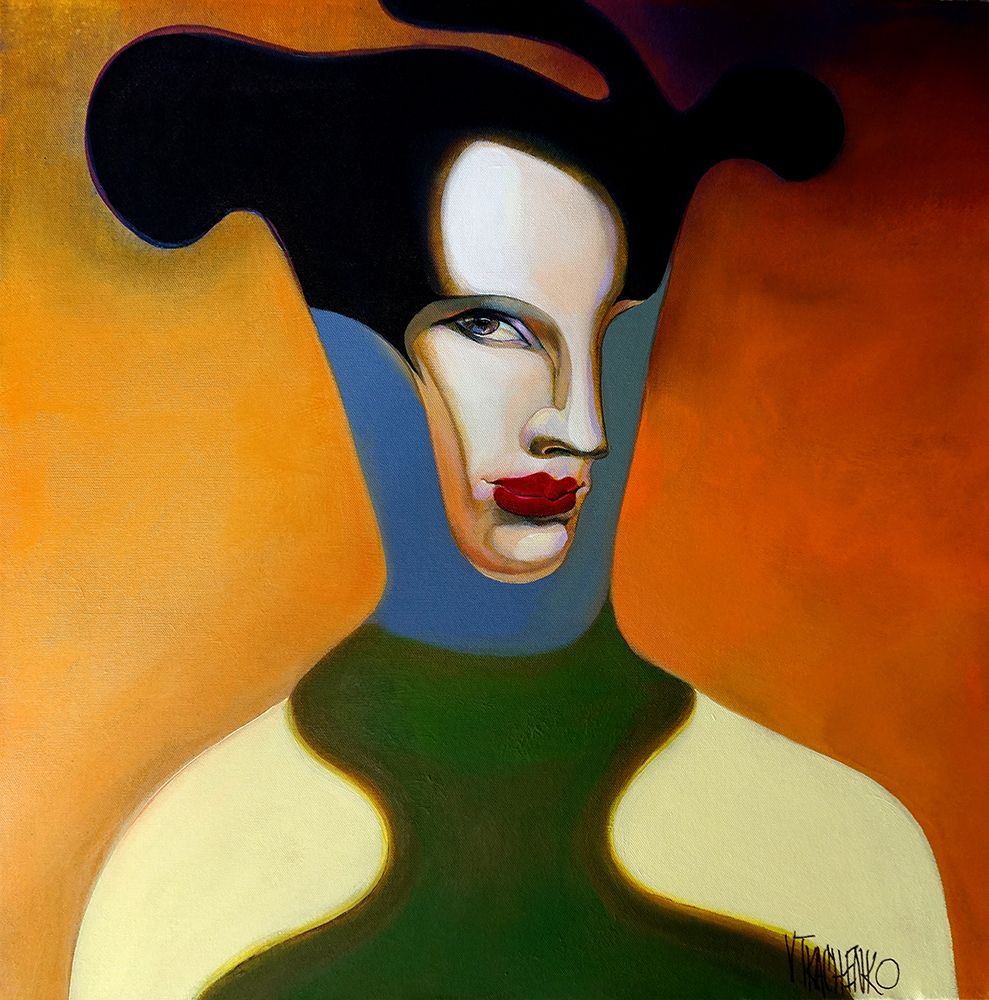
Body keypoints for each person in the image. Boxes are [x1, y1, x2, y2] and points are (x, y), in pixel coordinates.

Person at [71, 3, 956, 998]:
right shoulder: (185, 888)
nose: (581, 424)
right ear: (356, 346)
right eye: (494, 327)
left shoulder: (844, 862)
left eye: (609, 332)